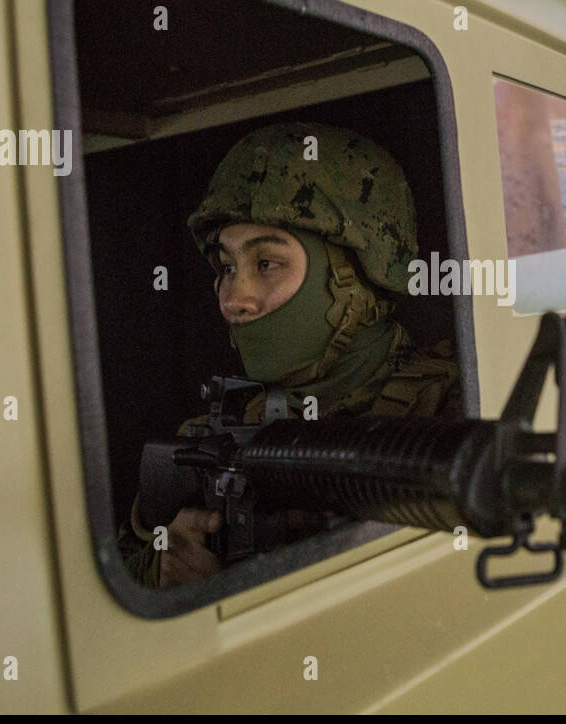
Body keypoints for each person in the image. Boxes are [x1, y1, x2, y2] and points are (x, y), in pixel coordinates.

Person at [118, 121, 461, 588]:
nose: (233, 299)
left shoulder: (455, 414)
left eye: (266, 264)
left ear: (354, 277)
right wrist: (161, 573)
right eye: (226, 267)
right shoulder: (206, 440)